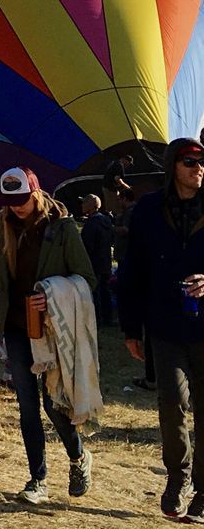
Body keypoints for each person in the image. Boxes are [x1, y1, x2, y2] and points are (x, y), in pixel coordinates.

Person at [0, 167, 96, 505]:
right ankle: (37, 479)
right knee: (27, 406)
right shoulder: (1, 227)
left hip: (52, 329)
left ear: (35, 192)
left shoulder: (61, 228)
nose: (16, 207)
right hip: (15, 328)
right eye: (9, 201)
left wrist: (54, 292)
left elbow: (88, 277)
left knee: (53, 401)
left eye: (21, 200)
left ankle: (77, 458)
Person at [119, 137, 204, 521]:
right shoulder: (149, 210)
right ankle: (178, 477)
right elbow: (132, 270)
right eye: (190, 161)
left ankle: (203, 491)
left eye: (203, 162)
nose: (198, 168)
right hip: (165, 325)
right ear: (173, 166)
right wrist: (130, 328)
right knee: (172, 403)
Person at [78, 194, 115, 327]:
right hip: (105, 261)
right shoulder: (106, 221)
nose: (81, 205)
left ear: (91, 206)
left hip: (93, 262)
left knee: (95, 291)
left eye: (84, 203)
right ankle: (108, 318)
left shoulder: (91, 224)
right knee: (105, 291)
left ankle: (97, 319)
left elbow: (87, 246)